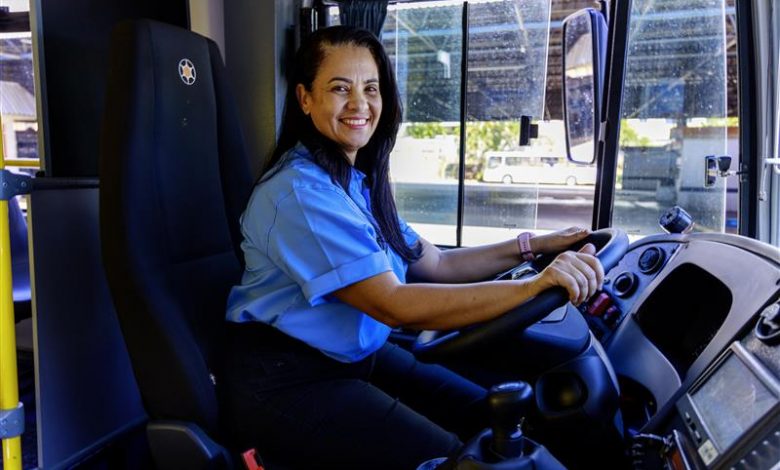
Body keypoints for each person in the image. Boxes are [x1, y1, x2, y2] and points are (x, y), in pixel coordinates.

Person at [221, 25, 604, 470]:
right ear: (305, 98)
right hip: (285, 380)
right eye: (340, 88)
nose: (360, 104)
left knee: (485, 417)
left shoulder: (352, 184)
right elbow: (393, 304)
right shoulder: (299, 194)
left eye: (371, 88)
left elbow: (436, 263)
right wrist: (534, 287)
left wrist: (533, 246)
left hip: (351, 356)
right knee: (461, 461)